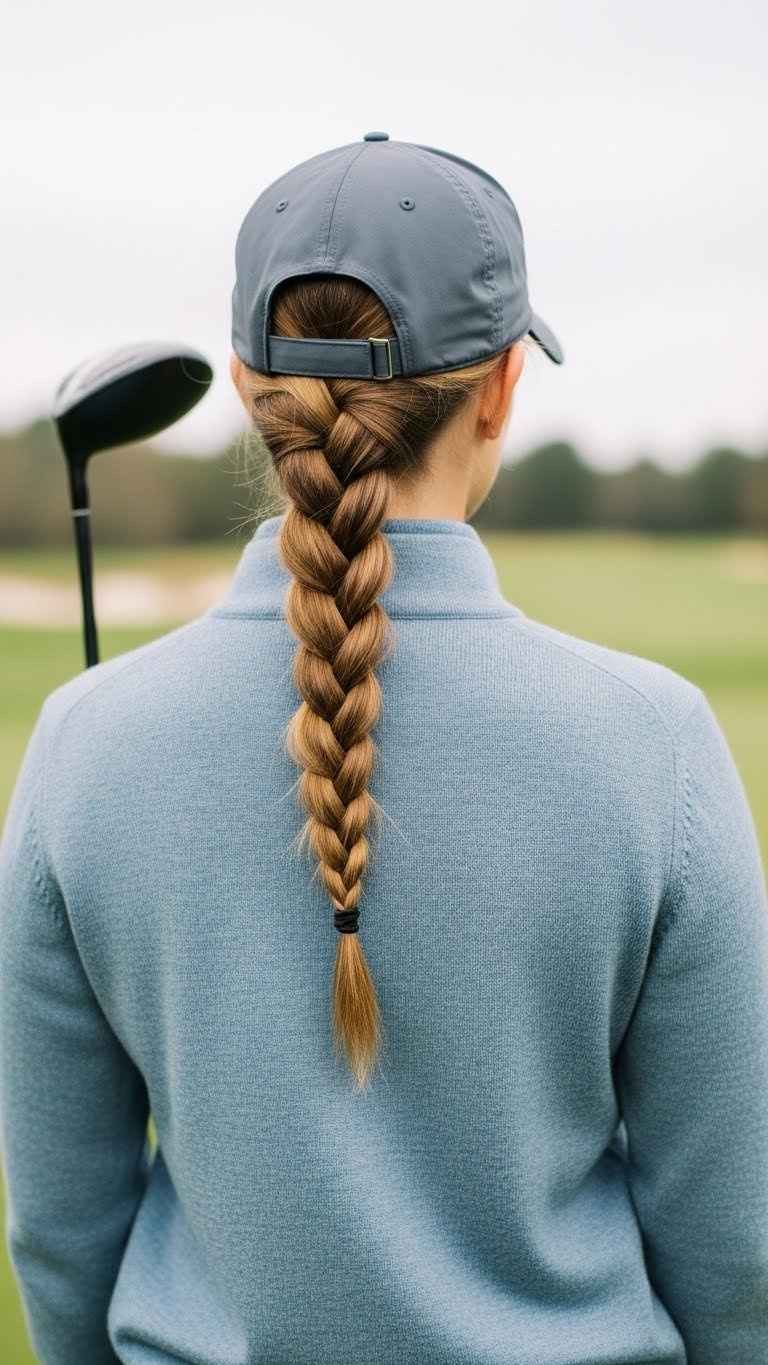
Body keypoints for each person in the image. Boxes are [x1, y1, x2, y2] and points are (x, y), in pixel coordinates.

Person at [0, 133, 766, 1365]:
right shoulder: (656, 748)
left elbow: (59, 1235)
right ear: (501, 387)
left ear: (249, 392)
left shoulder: (84, 745)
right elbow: (735, 1261)